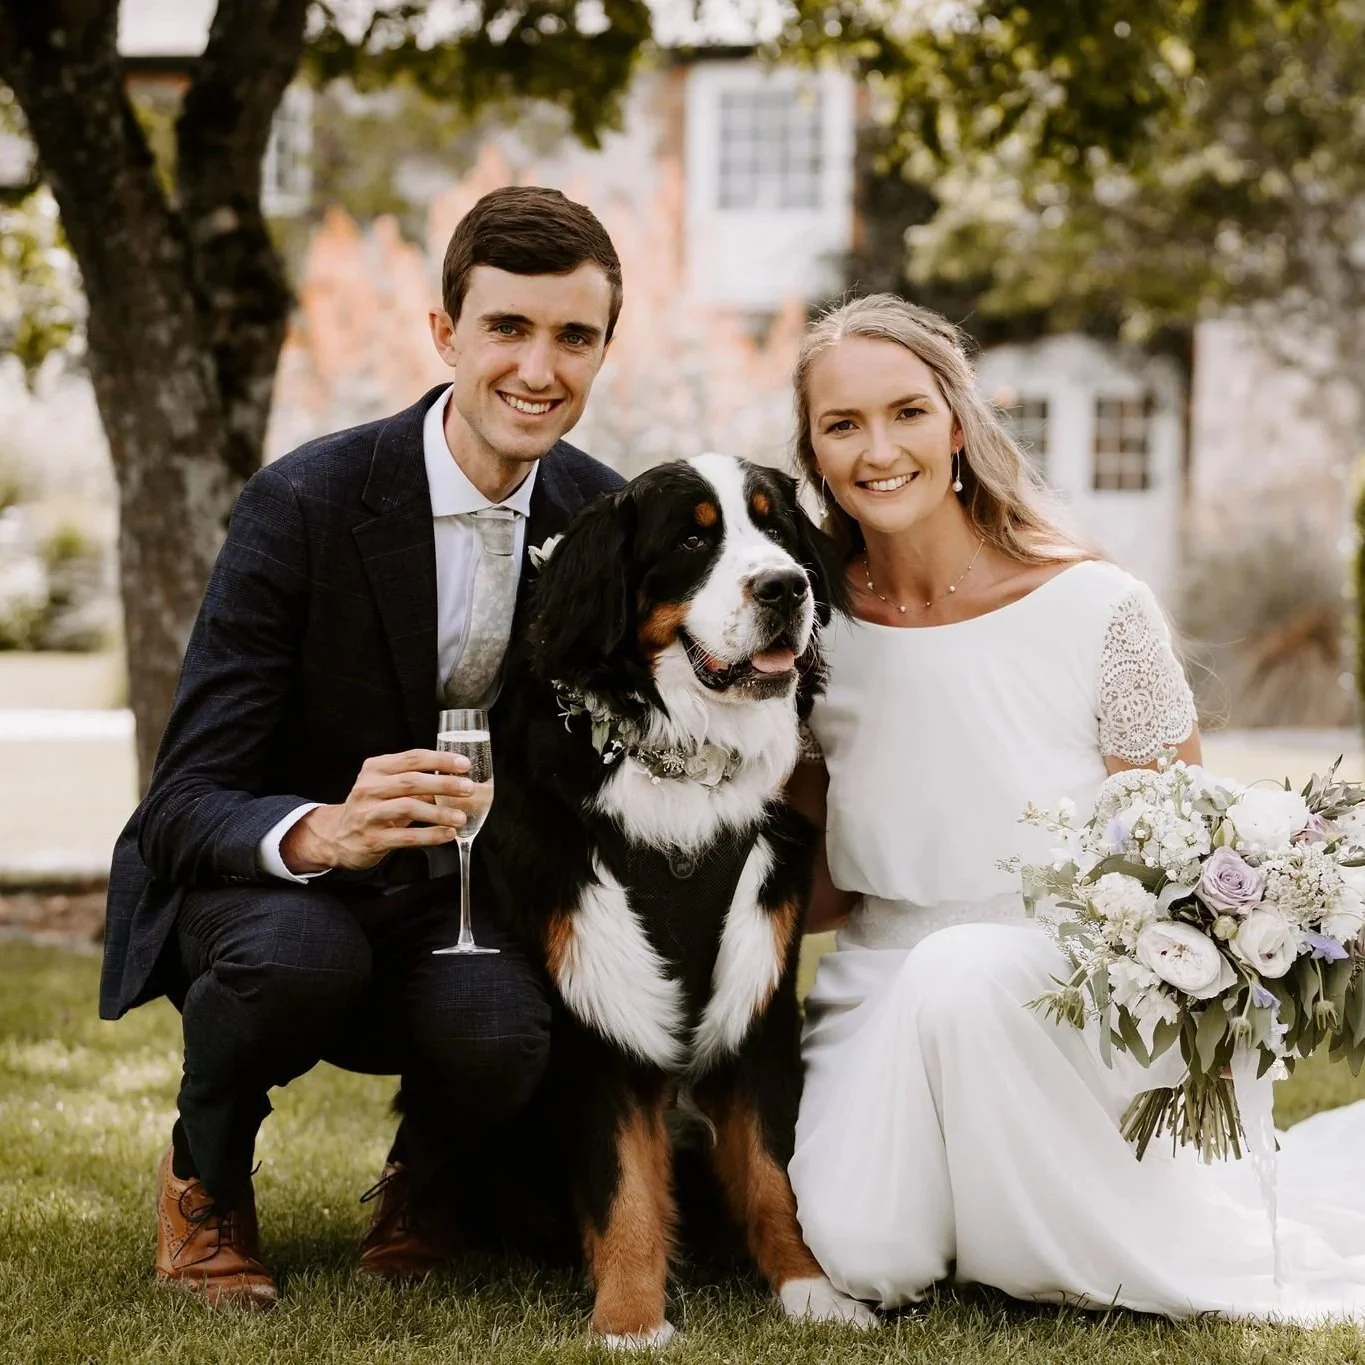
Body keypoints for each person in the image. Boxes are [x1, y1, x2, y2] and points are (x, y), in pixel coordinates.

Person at [785, 293, 1365, 1321]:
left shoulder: (1097, 605)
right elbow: (818, 890)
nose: (880, 447)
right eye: (843, 425)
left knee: (965, 974)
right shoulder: (810, 629)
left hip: (1066, 986)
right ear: (815, 454)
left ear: (958, 423)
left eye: (907, 412)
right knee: (864, 1255)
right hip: (879, 979)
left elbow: (1178, 862)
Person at [98, 186, 625, 1307]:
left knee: (500, 1022)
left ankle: (427, 1183)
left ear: (603, 350)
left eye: (574, 337)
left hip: (462, 901)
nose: (541, 368)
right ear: (444, 335)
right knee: (299, 956)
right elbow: (181, 801)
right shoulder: (306, 501)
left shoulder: (606, 523)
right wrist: (323, 831)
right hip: (283, 893)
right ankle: (207, 1179)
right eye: (509, 329)